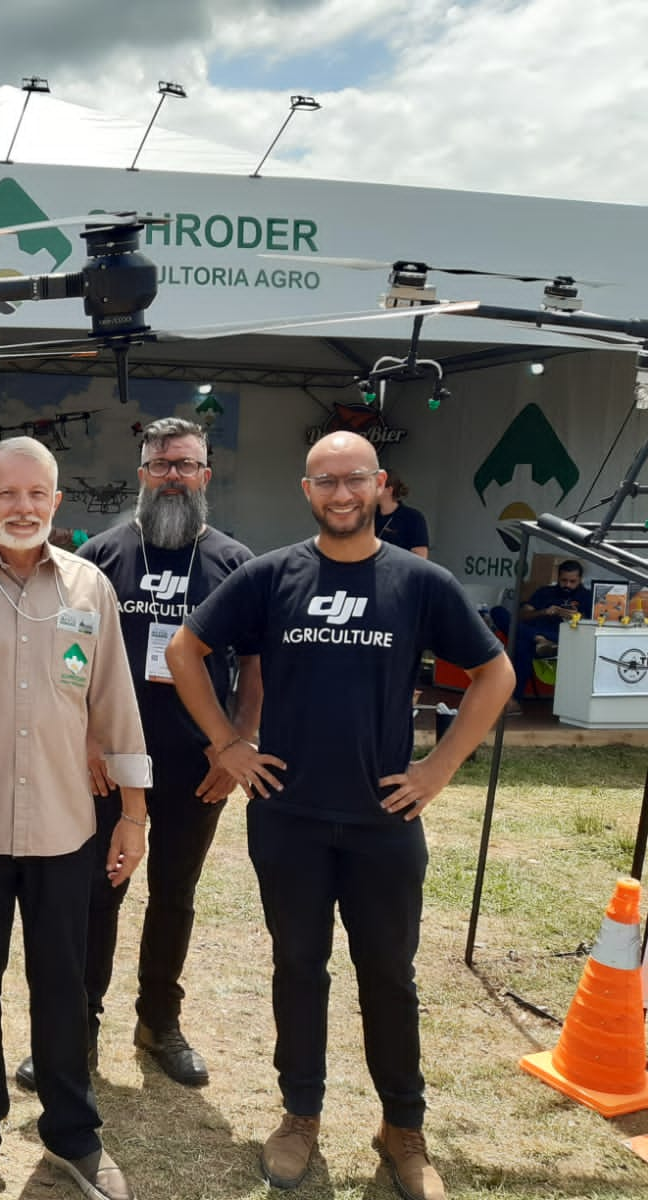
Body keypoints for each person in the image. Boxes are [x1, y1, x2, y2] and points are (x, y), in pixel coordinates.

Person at [165, 432, 513, 1200]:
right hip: (288, 819)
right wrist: (228, 743)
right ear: (307, 490)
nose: (342, 493)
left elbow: (496, 672)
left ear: (381, 485)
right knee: (298, 969)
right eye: (327, 481)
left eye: (355, 479)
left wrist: (439, 767)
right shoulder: (271, 576)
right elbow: (185, 652)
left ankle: (403, 1129)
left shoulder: (420, 582)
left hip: (383, 820)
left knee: (388, 974)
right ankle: (300, 1116)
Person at [0, 436, 151, 1200]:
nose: (22, 508)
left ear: (55, 502)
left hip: (64, 827)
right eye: (6, 495)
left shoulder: (89, 590)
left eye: (35, 494)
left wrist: (133, 814)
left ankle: (73, 1134)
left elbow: (117, 708)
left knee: (64, 984)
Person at [14, 417, 259, 1093]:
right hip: (107, 763)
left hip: (197, 765)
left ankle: (159, 1024)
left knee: (174, 895)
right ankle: (79, 1029)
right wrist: (88, 739)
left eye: (184, 465)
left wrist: (238, 745)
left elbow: (255, 665)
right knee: (96, 894)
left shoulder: (234, 563)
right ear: (142, 476)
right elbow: (69, 656)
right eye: (159, 465)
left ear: (205, 476)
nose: (172, 476)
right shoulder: (100, 556)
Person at [501, 560, 586, 701]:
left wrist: (579, 617)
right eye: (564, 580)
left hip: (560, 637)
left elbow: (596, 624)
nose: (567, 585)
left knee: (522, 644)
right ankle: (537, 638)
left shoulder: (586, 596)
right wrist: (544, 612)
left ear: (580, 580)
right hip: (536, 633)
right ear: (558, 578)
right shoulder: (545, 592)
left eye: (572, 581)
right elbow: (522, 615)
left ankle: (514, 700)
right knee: (498, 612)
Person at [375, 473, 429, 558]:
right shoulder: (368, 516)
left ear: (389, 490)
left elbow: (421, 556)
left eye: (376, 486)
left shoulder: (413, 518)